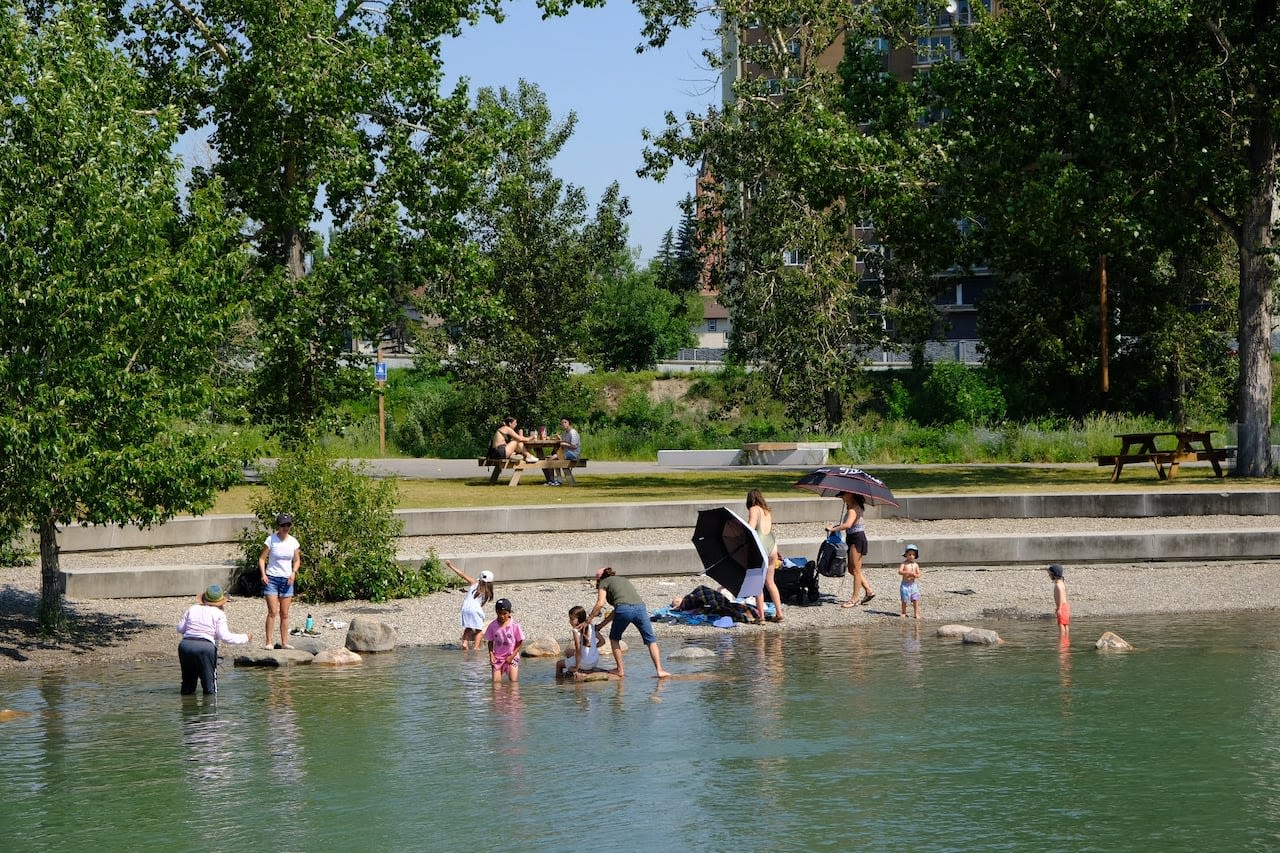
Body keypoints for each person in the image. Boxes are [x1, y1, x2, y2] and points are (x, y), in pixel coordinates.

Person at [587, 567, 670, 679]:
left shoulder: (604, 582)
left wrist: (589, 619)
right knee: (651, 640)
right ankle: (660, 670)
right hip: (640, 608)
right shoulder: (623, 580)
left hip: (624, 609)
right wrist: (601, 625)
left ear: (599, 579)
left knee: (614, 639)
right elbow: (618, 608)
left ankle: (620, 670)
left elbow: (600, 603)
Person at [176, 584, 252, 695]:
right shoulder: (219, 614)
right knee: (209, 686)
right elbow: (225, 637)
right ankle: (210, 710)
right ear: (221, 602)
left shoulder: (192, 609)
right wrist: (245, 637)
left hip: (185, 646)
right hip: (206, 648)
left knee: (188, 684)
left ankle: (187, 710)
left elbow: (180, 628)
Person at [258, 513, 300, 649]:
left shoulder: (293, 542)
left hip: (287, 579)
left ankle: (285, 642)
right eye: (283, 525)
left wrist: (293, 572)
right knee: (272, 611)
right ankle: (269, 642)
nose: (286, 527)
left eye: (288, 525)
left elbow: (297, 560)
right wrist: (263, 574)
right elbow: (262, 558)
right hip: (272, 578)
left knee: (285, 613)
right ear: (278, 526)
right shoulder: (271, 540)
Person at [829, 493, 876, 608]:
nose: (841, 497)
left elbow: (848, 525)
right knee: (852, 569)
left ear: (850, 495)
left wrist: (833, 529)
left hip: (857, 539)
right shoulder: (852, 507)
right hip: (852, 537)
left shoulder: (853, 509)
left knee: (855, 570)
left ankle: (854, 598)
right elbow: (849, 524)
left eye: (843, 495)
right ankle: (869, 590)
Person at [745, 489, 784, 623]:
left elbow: (751, 528)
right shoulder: (767, 511)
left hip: (760, 547)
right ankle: (779, 613)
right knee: (770, 582)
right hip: (772, 546)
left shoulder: (754, 509)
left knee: (758, 583)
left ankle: (761, 617)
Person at [446, 560, 494, 650]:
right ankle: (476, 647)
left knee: (468, 627)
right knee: (479, 630)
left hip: (465, 608)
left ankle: (464, 643)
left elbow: (462, 574)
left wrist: (451, 566)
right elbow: (480, 604)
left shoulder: (474, 583)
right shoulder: (488, 592)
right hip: (475, 609)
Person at [483, 598, 525, 683]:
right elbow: (490, 641)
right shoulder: (492, 625)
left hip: (511, 657)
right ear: (496, 612)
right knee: (496, 683)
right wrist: (491, 655)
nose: (502, 616)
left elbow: (520, 642)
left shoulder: (514, 625)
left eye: (504, 614)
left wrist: (512, 656)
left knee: (513, 683)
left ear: (509, 612)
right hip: (497, 658)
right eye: (499, 613)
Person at [556, 605, 602, 677]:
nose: (570, 621)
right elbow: (602, 641)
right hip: (595, 661)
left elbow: (578, 650)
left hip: (584, 664)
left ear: (579, 619)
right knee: (568, 652)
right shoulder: (591, 626)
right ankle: (572, 665)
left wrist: (576, 667)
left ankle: (559, 683)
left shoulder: (576, 631)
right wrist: (593, 648)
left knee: (558, 664)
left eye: (572, 619)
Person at [544, 417, 581, 486]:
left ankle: (556, 480)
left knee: (552, 458)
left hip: (573, 454)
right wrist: (559, 439)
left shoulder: (573, 432)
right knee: (552, 459)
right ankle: (555, 480)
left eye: (565, 422)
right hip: (565, 452)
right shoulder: (565, 432)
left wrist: (564, 444)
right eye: (562, 423)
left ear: (569, 423)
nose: (563, 424)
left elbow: (574, 446)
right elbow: (563, 441)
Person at [898, 545, 922, 619]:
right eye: (909, 554)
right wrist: (906, 572)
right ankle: (903, 612)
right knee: (904, 599)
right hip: (905, 584)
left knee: (915, 599)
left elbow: (919, 573)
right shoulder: (904, 564)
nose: (911, 556)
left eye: (913, 555)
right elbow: (899, 571)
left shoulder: (915, 565)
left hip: (913, 584)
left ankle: (916, 613)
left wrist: (916, 575)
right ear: (906, 555)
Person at [1048, 563, 1070, 638]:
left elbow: (1060, 595)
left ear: (1054, 574)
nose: (1049, 576)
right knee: (1065, 624)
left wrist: (1059, 608)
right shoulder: (1061, 582)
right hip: (1065, 606)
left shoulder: (1058, 585)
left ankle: (1062, 640)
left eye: (1050, 574)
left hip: (1062, 607)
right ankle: (1066, 639)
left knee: (1061, 624)